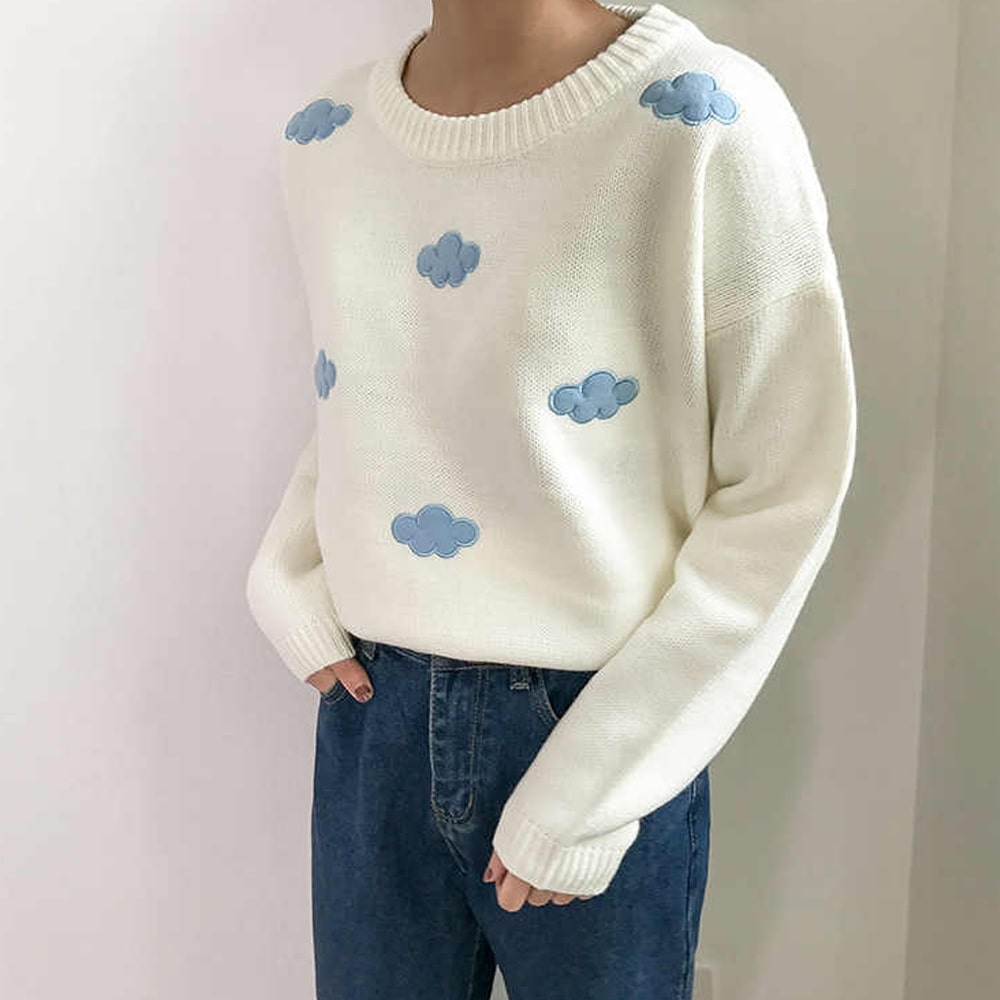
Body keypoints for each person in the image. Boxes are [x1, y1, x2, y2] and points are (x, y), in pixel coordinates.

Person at [245, 1, 857, 997]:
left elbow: (785, 486)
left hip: (595, 716)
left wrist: (595, 780)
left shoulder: (702, 116)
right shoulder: (327, 136)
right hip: (371, 713)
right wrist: (288, 570)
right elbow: (369, 393)